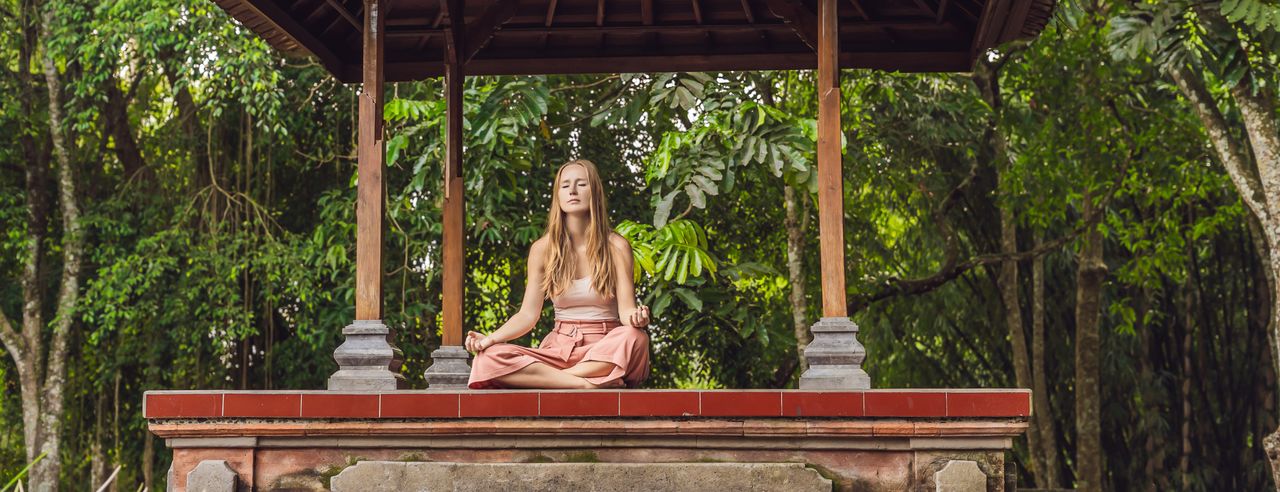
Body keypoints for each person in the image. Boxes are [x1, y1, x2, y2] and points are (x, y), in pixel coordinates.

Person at [466, 159, 651, 389]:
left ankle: (557, 381)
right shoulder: (542, 250)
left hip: (606, 349)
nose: (572, 190)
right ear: (558, 195)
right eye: (565, 185)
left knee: (636, 337)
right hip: (559, 351)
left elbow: (626, 312)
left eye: (581, 184)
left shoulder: (616, 246)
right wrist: (490, 339)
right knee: (488, 357)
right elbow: (527, 315)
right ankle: (585, 384)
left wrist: (637, 318)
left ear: (594, 191)